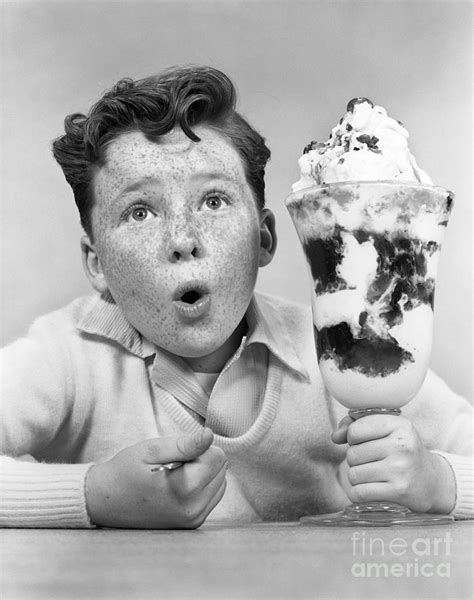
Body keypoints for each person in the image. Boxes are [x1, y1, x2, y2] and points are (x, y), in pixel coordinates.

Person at [0, 65, 472, 528]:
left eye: (213, 201)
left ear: (263, 237)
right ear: (97, 262)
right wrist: (95, 495)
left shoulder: (339, 352)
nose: (183, 239)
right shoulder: (66, 357)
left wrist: (438, 481)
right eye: (141, 212)